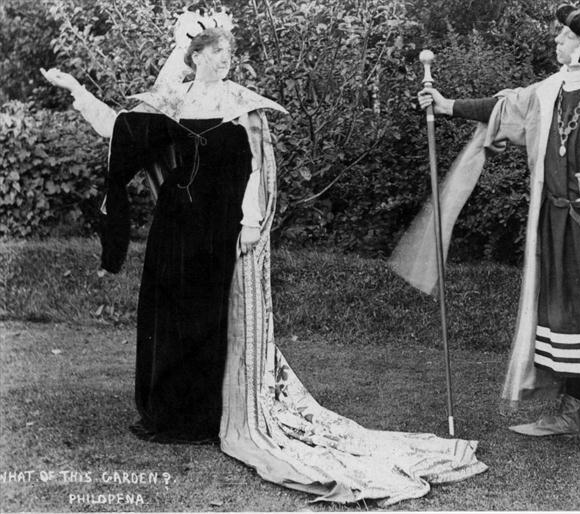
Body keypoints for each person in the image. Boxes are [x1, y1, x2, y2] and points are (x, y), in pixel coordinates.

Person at [42, 8, 486, 505]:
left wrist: (251, 223)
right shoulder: (171, 100)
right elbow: (116, 132)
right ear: (194, 57)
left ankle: (207, 416)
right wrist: (76, 89)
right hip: (175, 230)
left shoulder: (243, 105)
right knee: (170, 317)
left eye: (229, 53)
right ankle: (167, 414)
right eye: (216, 52)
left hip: (220, 230)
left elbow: (256, 169)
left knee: (210, 321)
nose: (225, 60)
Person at [396, 4, 580, 465]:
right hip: (557, 224)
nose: (557, 43)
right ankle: (571, 410)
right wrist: (447, 106)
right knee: (564, 317)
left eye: (563, 37)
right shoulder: (550, 90)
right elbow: (505, 108)